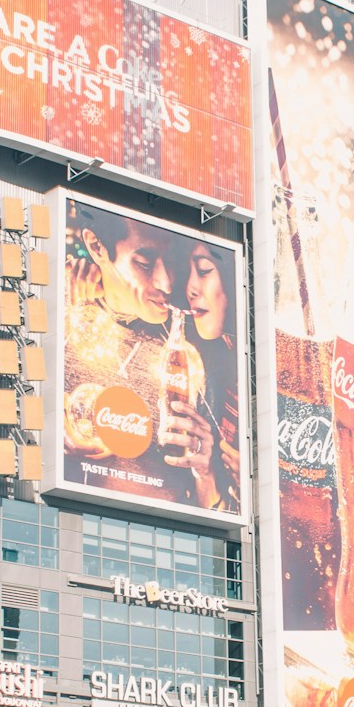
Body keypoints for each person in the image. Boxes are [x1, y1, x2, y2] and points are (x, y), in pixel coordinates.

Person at [63, 203, 224, 510]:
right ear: (97, 246)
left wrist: (205, 473)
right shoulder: (66, 319)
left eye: (172, 261)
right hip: (71, 524)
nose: (166, 282)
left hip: (172, 541)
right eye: (145, 263)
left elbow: (213, 514)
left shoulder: (184, 362)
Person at [183, 238, 242, 511]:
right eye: (187, 274)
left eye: (204, 271)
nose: (191, 289)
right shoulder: (196, 362)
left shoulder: (281, 367)